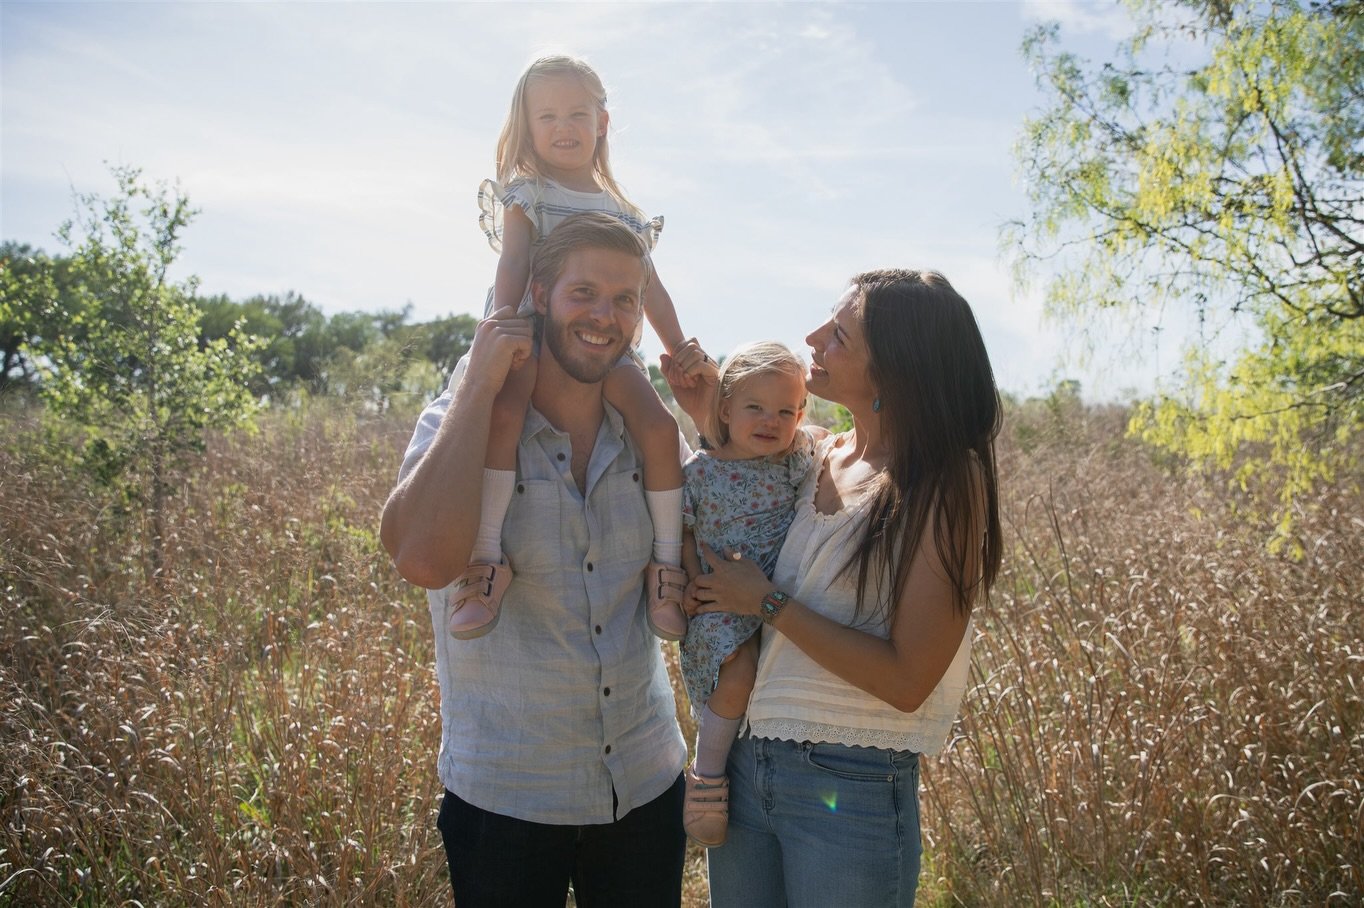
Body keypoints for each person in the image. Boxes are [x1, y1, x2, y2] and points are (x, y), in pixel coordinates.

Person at [380, 212, 690, 907]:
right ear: (540, 293)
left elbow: (707, 548)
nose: (604, 316)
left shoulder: (648, 431)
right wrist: (479, 386)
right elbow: (424, 560)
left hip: (645, 783)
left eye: (624, 300)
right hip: (508, 796)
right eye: (583, 292)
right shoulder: (461, 417)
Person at [672, 269, 1002, 907]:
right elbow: (732, 473)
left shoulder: (940, 483)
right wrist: (708, 409)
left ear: (895, 368)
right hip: (744, 763)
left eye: (840, 334)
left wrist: (764, 602)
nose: (814, 337)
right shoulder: (812, 453)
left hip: (850, 785)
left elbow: (908, 681)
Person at [452, 54, 713, 641]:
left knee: (654, 422)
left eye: (577, 113)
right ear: (527, 124)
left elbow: (651, 288)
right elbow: (514, 262)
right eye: (547, 115)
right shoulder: (529, 194)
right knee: (505, 412)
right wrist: (500, 328)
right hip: (531, 332)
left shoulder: (623, 213)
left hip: (603, 346)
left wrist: (679, 347)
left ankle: (666, 564)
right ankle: (487, 556)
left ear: (603, 122)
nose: (562, 126)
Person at [673, 342, 824, 848]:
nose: (770, 421)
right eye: (755, 407)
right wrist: (694, 583)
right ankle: (707, 779)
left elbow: (830, 442)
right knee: (738, 670)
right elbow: (686, 534)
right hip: (722, 598)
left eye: (786, 411)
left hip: (776, 598)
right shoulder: (699, 471)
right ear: (725, 409)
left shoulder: (794, 462)